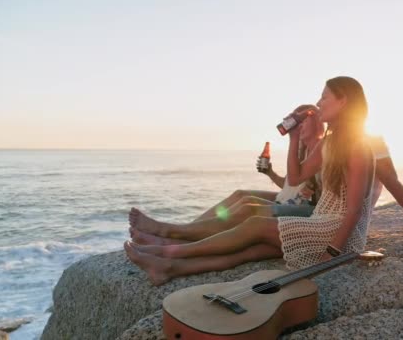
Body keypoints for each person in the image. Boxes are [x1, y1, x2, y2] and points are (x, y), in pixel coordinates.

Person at [125, 76, 379, 285]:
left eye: (324, 96)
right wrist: (292, 140)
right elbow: (296, 177)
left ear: (343, 101)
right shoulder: (329, 143)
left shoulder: (356, 146)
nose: (318, 102)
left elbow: (355, 209)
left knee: (256, 224)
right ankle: (168, 269)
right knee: (253, 250)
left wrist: (332, 254)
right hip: (321, 223)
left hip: (340, 237)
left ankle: (166, 250)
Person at [128, 106, 325, 246]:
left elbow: (304, 187)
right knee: (241, 194)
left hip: (298, 207)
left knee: (247, 207)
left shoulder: (319, 149)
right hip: (289, 199)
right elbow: (290, 184)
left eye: (301, 121)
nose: (296, 126)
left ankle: (176, 233)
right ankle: (188, 230)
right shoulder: (302, 149)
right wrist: (270, 173)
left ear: (314, 123)